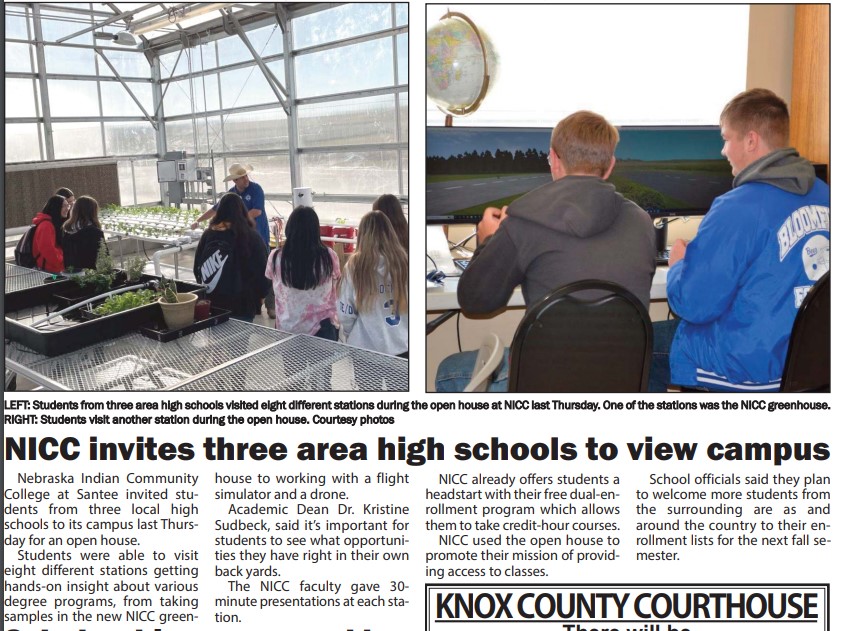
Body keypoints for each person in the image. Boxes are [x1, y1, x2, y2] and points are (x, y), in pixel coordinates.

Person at [435, 110, 656, 392]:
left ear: (553, 159)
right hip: (621, 381)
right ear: (610, 165)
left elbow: (475, 300)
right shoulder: (641, 221)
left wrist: (488, 240)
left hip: (543, 383)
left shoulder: (523, 221)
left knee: (448, 370)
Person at [649, 88, 830, 392]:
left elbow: (692, 305)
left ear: (750, 140)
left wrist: (679, 264)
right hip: (811, 365)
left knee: (640, 346)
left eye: (726, 138)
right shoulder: (826, 195)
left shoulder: (736, 207)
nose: (723, 150)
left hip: (746, 369)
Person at [192, 163, 275, 317]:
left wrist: (237, 219)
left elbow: (257, 211)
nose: (245, 179)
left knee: (262, 266)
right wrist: (198, 220)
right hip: (242, 303)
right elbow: (215, 209)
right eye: (241, 177)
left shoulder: (256, 189)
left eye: (245, 176)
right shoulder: (231, 195)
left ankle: (270, 305)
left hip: (259, 237)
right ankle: (258, 300)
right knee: (242, 268)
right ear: (234, 181)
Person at [338, 210, 409, 357]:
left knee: (366, 382)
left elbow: (346, 312)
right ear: (390, 233)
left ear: (362, 236)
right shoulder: (404, 262)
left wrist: (350, 333)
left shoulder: (354, 266)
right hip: (402, 345)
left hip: (365, 347)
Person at [265, 206, 341, 339]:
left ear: (289, 229)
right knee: (323, 361)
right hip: (322, 327)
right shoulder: (329, 256)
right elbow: (336, 282)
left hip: (287, 327)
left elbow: (272, 282)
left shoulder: (276, 257)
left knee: (292, 361)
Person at [62, 195, 106, 271]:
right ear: (93, 212)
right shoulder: (95, 232)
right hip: (91, 275)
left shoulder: (66, 229)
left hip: (71, 272)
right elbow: (104, 255)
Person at [31, 195, 68, 273]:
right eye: (64, 206)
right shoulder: (46, 226)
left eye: (68, 205)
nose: (67, 209)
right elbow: (48, 251)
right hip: (50, 271)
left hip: (54, 268)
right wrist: (61, 262)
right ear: (56, 207)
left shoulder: (53, 223)